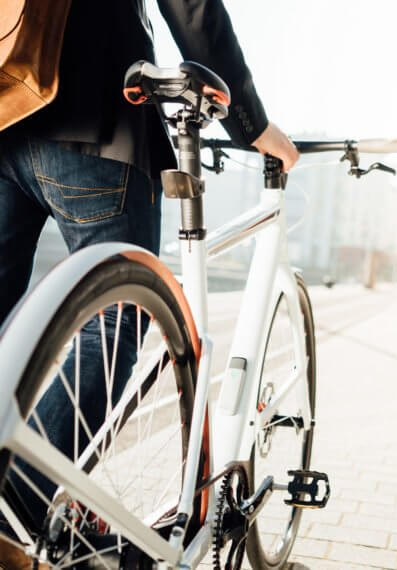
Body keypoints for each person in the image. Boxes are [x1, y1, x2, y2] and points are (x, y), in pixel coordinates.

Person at [0, 0, 298, 565]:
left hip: (6, 108)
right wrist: (253, 127)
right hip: (94, 113)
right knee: (117, 319)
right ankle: (11, 512)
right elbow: (192, 7)